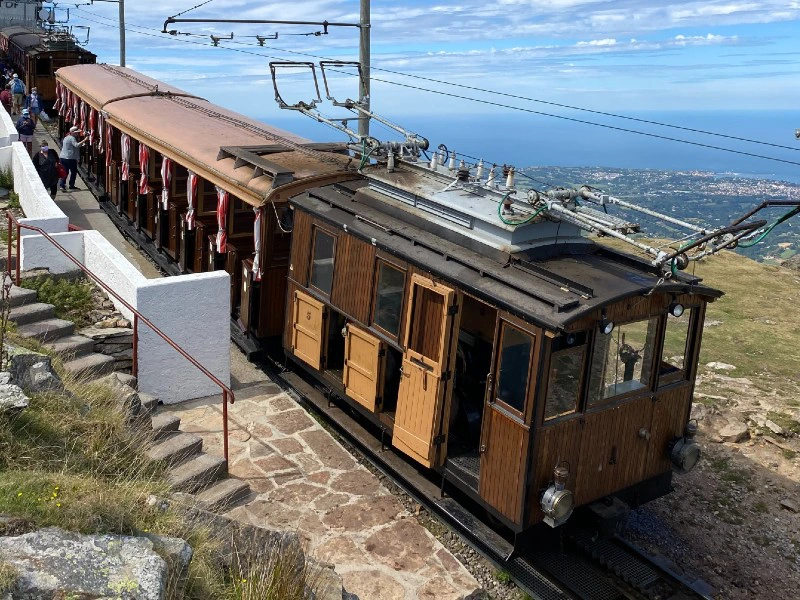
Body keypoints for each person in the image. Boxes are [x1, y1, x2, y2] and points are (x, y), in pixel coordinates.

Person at [59, 126, 87, 191]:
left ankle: (62, 185)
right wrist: (85, 140)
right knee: (73, 172)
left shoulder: (66, 137)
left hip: (63, 157)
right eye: (76, 133)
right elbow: (76, 145)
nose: (77, 134)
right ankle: (71, 185)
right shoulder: (72, 138)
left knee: (65, 172)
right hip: (70, 158)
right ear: (73, 133)